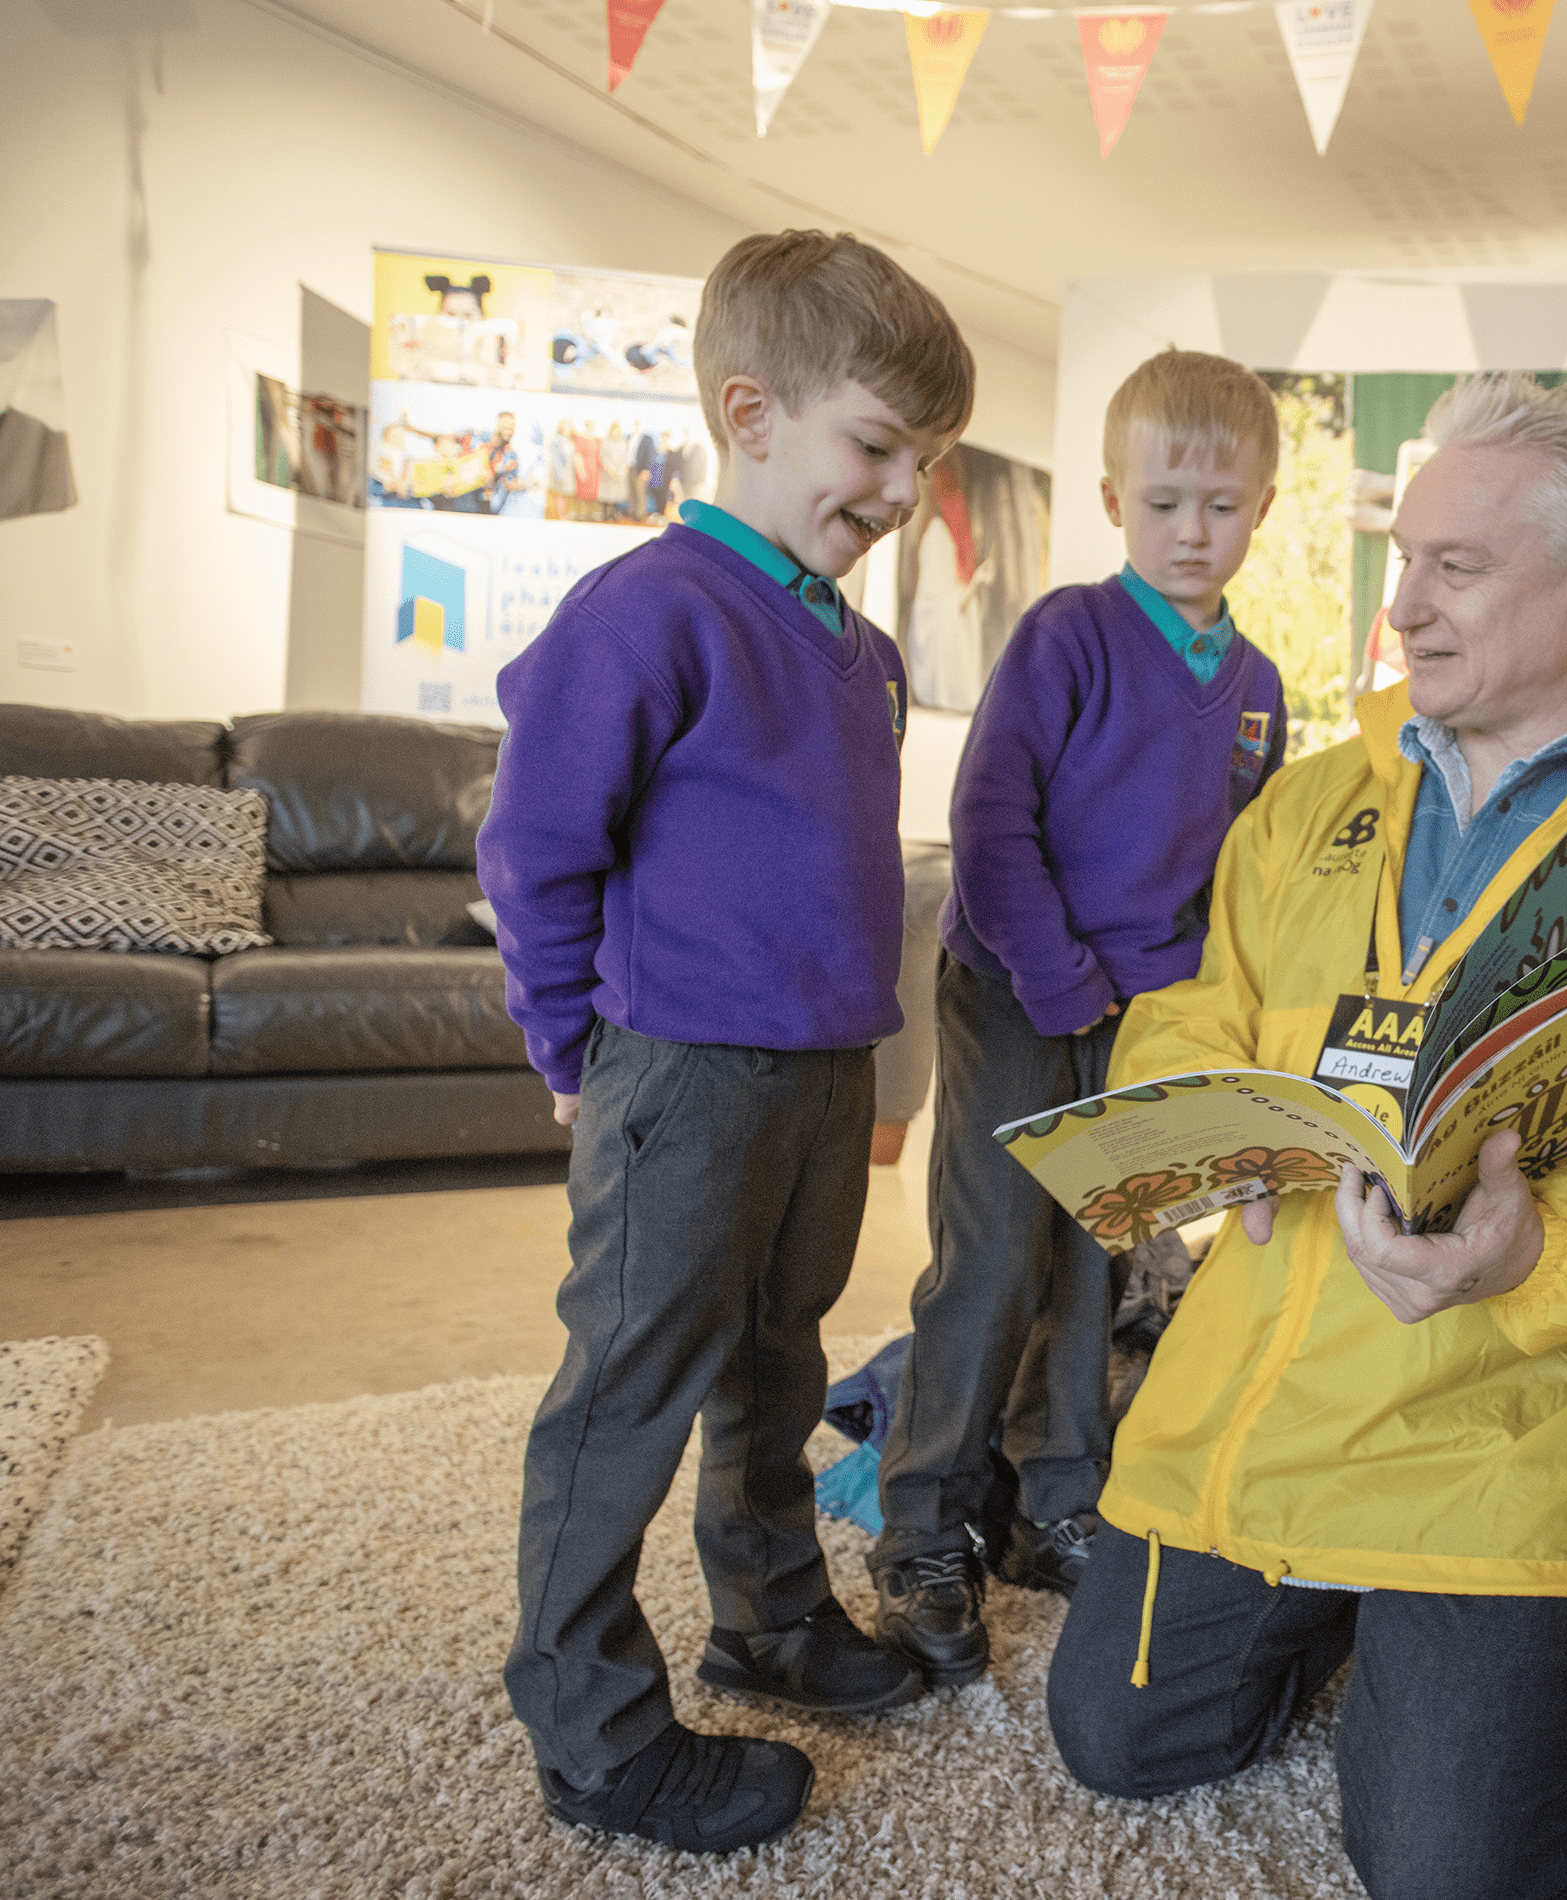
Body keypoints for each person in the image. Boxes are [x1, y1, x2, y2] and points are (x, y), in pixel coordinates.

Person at [1044, 372, 1567, 1900]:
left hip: (1521, 1430)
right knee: (1117, 1738)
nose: (1402, 606)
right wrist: (1208, 1130)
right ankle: (1367, 1619)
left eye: (1455, 569)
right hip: (1274, 1389)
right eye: (1405, 558)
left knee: (1452, 1873)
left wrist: (1546, 1240)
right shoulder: (1304, 805)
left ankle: (1452, 1637)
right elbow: (1200, 1010)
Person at [476, 228, 975, 1857]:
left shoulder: (859, 644)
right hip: (679, 1071)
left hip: (825, 1072)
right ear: (752, 415)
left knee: (778, 1359)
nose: (903, 488)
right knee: (630, 1383)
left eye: (926, 459)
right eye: (879, 446)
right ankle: (591, 1721)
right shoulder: (646, 612)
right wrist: (569, 1043)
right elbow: (535, 847)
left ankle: (767, 1618)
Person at [869, 349, 1290, 1688]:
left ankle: (1058, 1499)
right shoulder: (1067, 633)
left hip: (1141, 1018)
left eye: (1221, 507)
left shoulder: (1260, 685)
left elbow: (1228, 870)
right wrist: (1059, 980)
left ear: (1262, 509)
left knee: (1099, 1259)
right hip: (1014, 982)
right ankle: (925, 1530)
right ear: (1114, 499)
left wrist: (1195, 1013)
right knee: (992, 1260)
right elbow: (991, 822)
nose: (1192, 531)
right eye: (1165, 502)